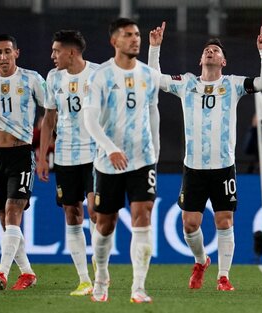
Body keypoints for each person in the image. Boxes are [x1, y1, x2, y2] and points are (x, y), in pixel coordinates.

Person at [148, 22, 262, 290]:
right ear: (200, 59)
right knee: (190, 224)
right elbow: (155, 79)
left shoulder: (233, 85)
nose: (210, 52)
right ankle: (201, 260)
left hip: (223, 167)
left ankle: (223, 276)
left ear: (223, 61)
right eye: (207, 50)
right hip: (193, 167)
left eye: (215, 50)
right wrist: (154, 48)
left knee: (223, 220)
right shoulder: (186, 83)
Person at [83, 18, 161, 303]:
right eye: (128, 35)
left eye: (137, 34)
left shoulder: (148, 75)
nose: (135, 39)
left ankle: (138, 287)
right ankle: (101, 277)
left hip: (142, 160)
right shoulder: (101, 75)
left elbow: (153, 113)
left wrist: (156, 153)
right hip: (108, 162)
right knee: (105, 224)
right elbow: (89, 118)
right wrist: (109, 148)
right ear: (114, 41)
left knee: (144, 216)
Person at [0, 34, 46, 290]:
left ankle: (2, 272)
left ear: (17, 52)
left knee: (14, 211)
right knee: (5, 218)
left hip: (21, 153)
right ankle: (27, 272)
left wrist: (44, 145)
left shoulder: (32, 79)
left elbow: (50, 109)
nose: (3, 56)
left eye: (7, 51)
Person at [36, 29, 98, 296]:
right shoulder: (54, 78)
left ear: (71, 52)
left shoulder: (99, 74)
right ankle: (84, 280)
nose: (52, 56)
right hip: (65, 157)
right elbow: (49, 119)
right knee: (72, 213)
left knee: (96, 211)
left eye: (56, 51)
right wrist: (41, 157)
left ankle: (101, 271)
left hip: (96, 155)